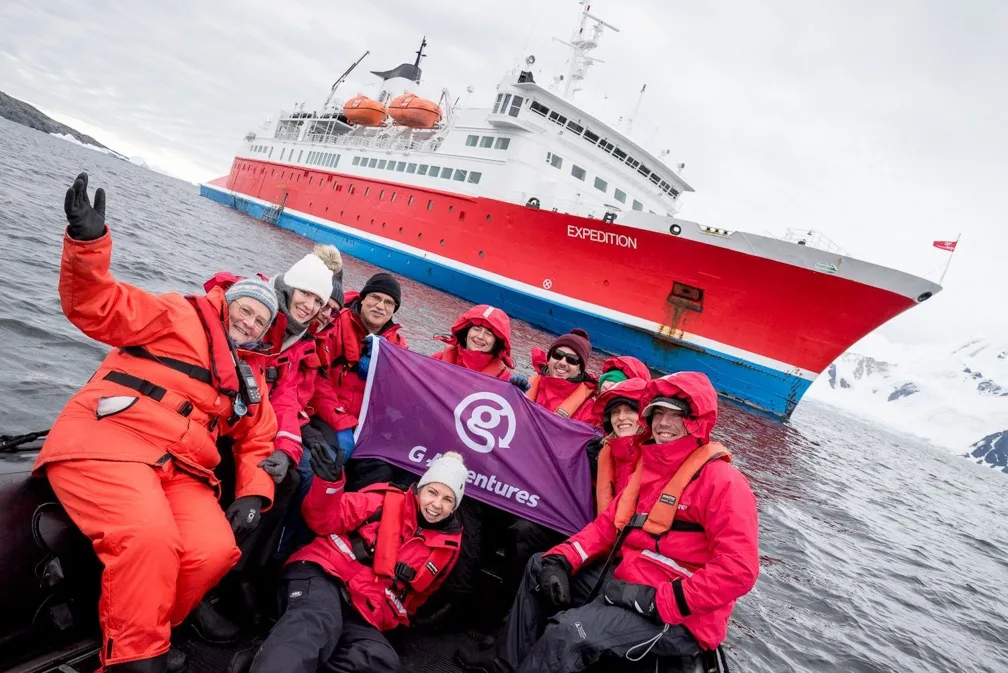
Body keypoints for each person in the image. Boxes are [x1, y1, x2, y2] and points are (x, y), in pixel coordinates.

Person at [34, 173, 279, 673]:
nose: (251, 322)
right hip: (111, 440)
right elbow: (96, 305)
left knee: (213, 551)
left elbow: (258, 437)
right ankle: (135, 662)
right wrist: (87, 243)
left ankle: (140, 637)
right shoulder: (175, 314)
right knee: (148, 537)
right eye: (247, 310)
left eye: (261, 320)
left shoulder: (250, 380)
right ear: (227, 304)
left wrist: (254, 492)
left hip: (182, 469)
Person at [457, 372, 760, 673]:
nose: (664, 424)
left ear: (695, 420)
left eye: (675, 415)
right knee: (540, 566)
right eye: (658, 414)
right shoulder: (650, 471)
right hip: (630, 581)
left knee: (570, 633)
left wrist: (660, 601)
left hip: (681, 615)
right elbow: (607, 527)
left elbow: (739, 570)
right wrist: (563, 559)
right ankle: (505, 665)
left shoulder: (723, 482)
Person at [192, 245, 338, 637]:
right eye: (307, 293)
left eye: (319, 300)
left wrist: (286, 450)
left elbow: (286, 397)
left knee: (285, 478)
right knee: (221, 471)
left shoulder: (298, 337)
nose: (311, 305)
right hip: (212, 417)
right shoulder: (257, 309)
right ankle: (199, 585)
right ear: (291, 286)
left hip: (247, 422)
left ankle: (238, 572)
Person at [232, 452, 469, 673]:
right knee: (315, 626)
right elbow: (322, 520)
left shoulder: (448, 548)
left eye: (448, 499)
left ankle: (266, 656)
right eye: (433, 493)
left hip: (364, 611)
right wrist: (329, 484)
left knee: (380, 659)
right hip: (324, 575)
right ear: (420, 489)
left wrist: (386, 620)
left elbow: (415, 599)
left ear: (454, 507)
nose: (437, 504)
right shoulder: (382, 500)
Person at [311, 272, 409, 490]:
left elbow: (400, 397)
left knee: (381, 472)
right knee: (326, 461)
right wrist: (341, 422)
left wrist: (383, 368)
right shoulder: (334, 325)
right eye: (375, 298)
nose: (380, 306)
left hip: (366, 429)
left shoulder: (398, 347)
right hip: (327, 418)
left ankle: (347, 520)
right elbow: (317, 380)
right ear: (363, 298)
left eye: (388, 303)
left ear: (393, 310)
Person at [585, 378, 648, 516]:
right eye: (615, 412)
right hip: (604, 529)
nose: (621, 417)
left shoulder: (658, 457)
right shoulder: (601, 452)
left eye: (630, 410)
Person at [515, 328, 597, 423]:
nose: (562, 362)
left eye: (572, 359)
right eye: (557, 354)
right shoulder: (525, 386)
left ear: (580, 370)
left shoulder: (589, 409)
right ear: (549, 359)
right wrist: (512, 393)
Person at [433, 304, 514, 380]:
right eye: (477, 329)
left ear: (496, 343)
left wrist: (519, 390)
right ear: (466, 332)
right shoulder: (436, 360)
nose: (480, 336)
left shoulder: (505, 380)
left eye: (488, 333)